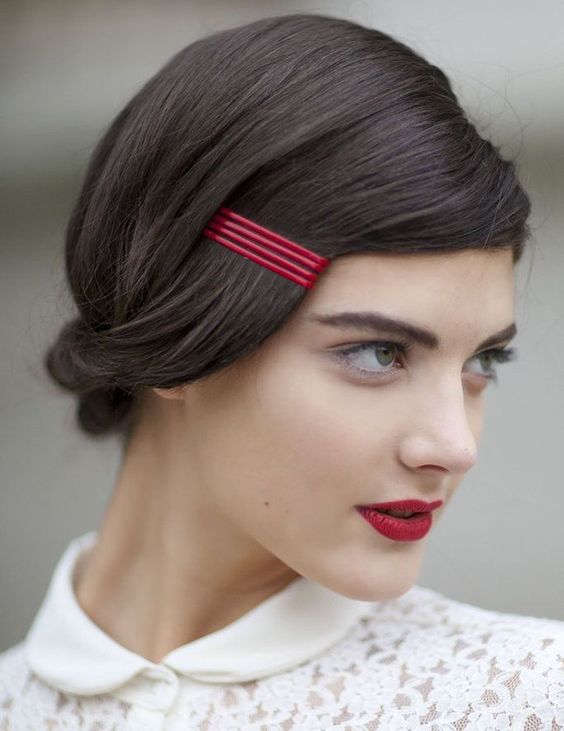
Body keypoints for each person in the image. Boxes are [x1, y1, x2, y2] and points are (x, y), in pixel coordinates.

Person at [1, 12, 563, 730]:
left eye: (481, 360)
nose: (455, 446)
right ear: (177, 331)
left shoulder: (524, 699)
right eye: (378, 353)